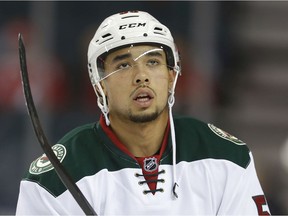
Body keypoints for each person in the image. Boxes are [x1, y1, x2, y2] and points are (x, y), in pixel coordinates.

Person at [16, 10, 270, 215]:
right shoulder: (55, 178)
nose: (141, 76)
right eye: (124, 65)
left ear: (171, 76)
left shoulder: (227, 157)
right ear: (99, 84)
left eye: (153, 61)